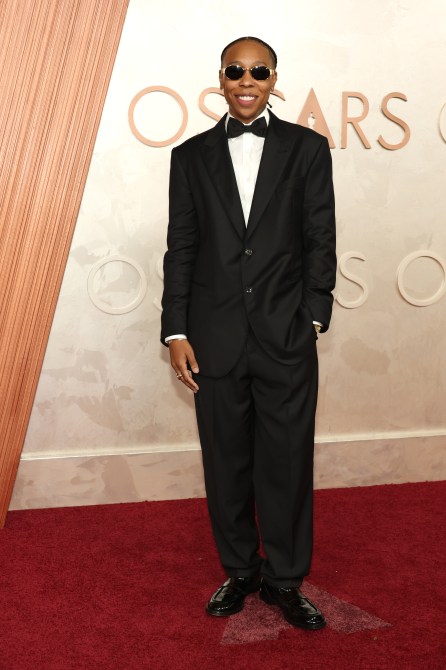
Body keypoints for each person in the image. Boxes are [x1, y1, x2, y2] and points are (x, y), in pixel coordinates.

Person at [161, 36, 336, 630]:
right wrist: (176, 331)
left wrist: (313, 317)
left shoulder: (308, 149)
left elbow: (320, 237)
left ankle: (285, 579)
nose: (246, 81)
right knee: (225, 463)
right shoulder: (189, 157)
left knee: (287, 463)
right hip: (213, 338)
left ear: (273, 80)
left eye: (258, 71)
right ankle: (240, 570)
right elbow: (182, 248)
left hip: (286, 336)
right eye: (235, 70)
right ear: (221, 77)